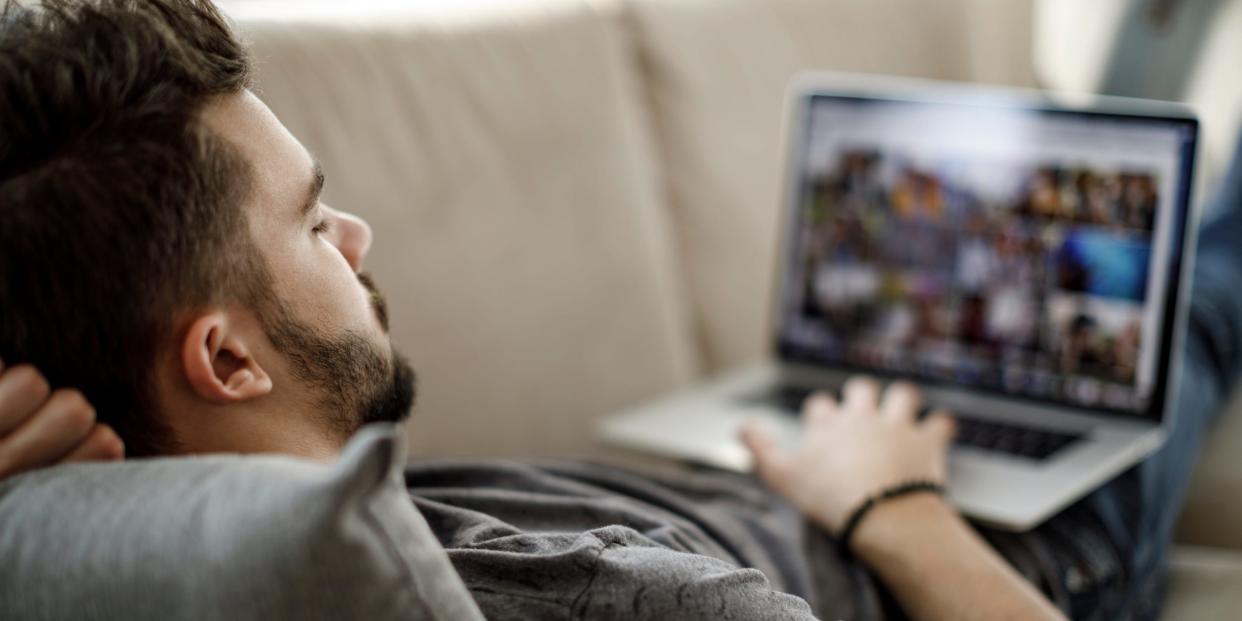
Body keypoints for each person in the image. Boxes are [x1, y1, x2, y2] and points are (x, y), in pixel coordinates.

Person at [3, 1, 1241, 619]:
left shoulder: (107, 489)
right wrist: (889, 496)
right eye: (317, 225)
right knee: (1207, 293)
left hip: (805, 476)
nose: (359, 237)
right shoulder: (634, 602)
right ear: (223, 358)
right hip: (948, 538)